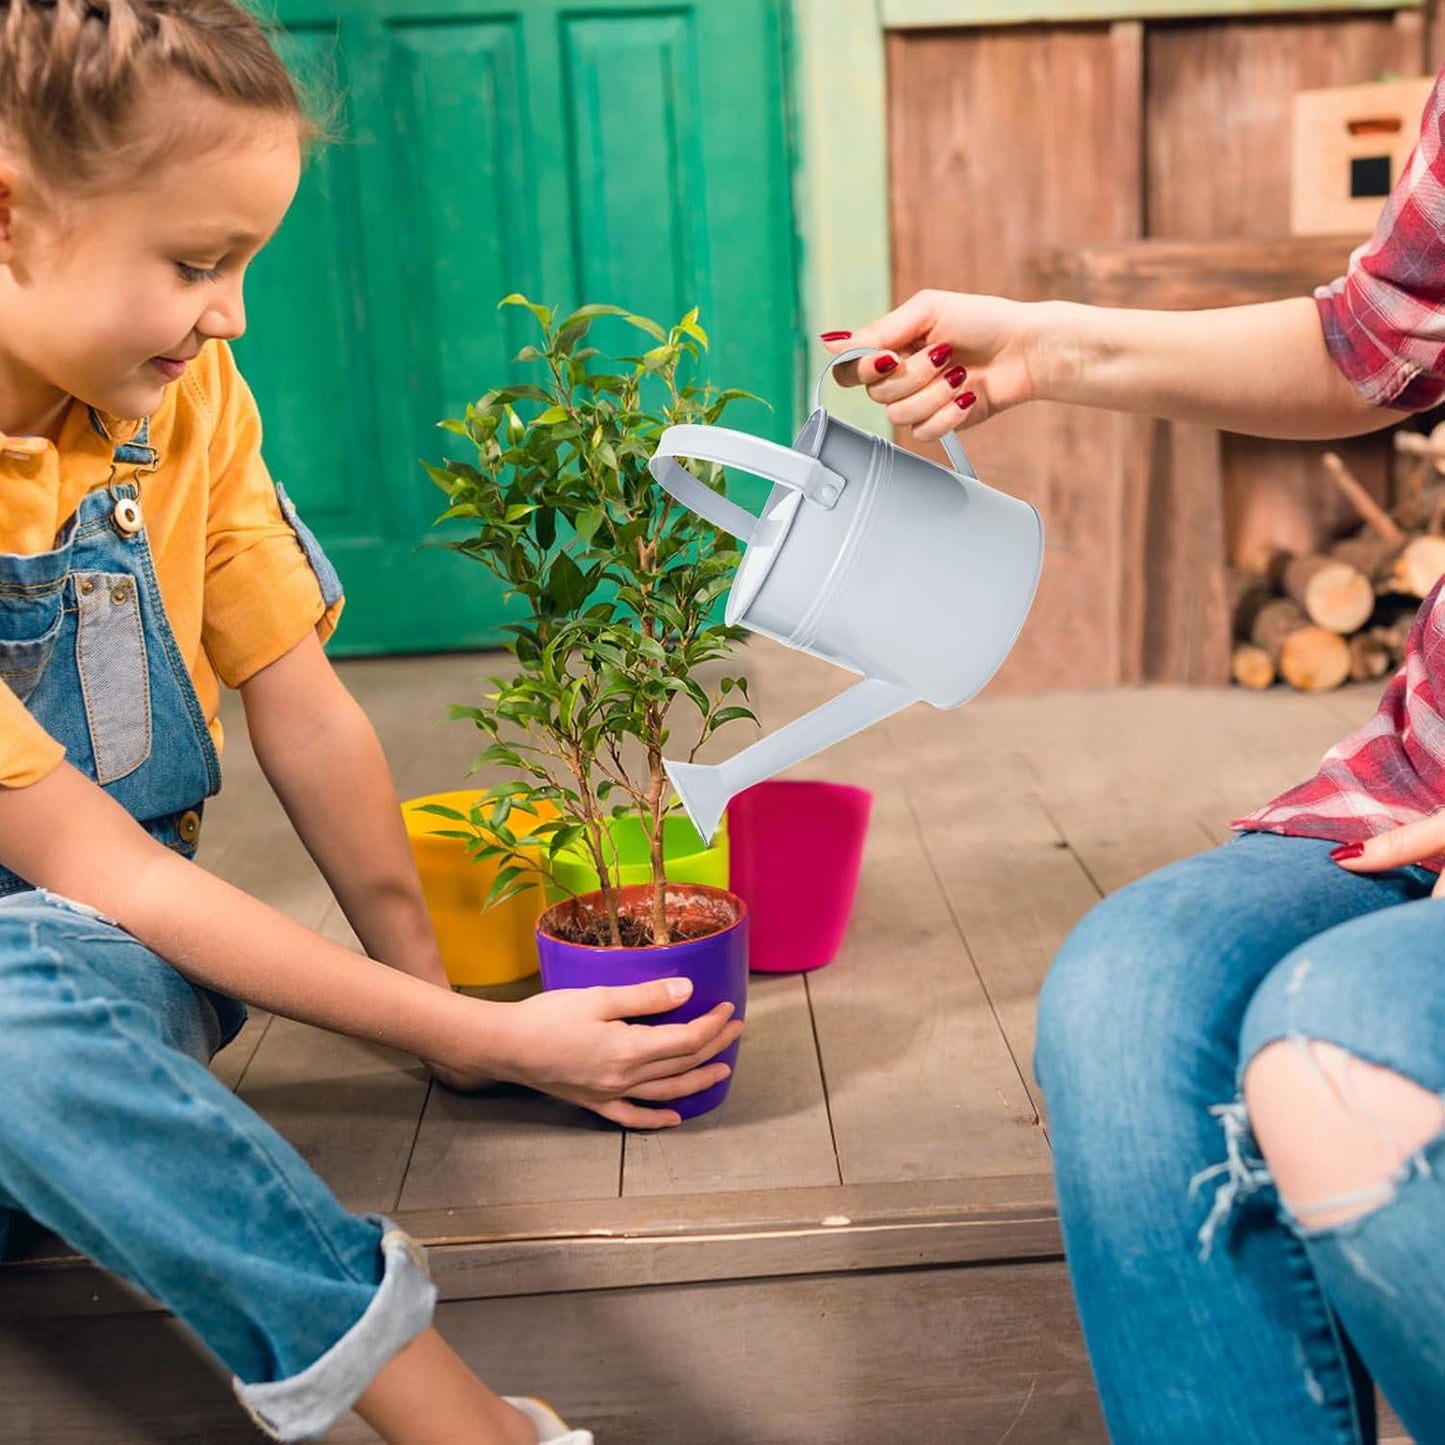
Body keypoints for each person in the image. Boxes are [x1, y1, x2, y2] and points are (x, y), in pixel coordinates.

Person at [0, 3, 744, 1441]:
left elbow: (303, 707)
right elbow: (114, 859)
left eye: (246, 263)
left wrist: (451, 1022)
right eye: (196, 264)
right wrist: (509, 1041)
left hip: (86, 966)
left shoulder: (188, 397)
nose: (232, 314)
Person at [824, 70, 1445, 1445]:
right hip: (1419, 783)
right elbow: (1378, 335)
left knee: (1330, 1034)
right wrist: (1046, 352)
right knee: (1124, 995)